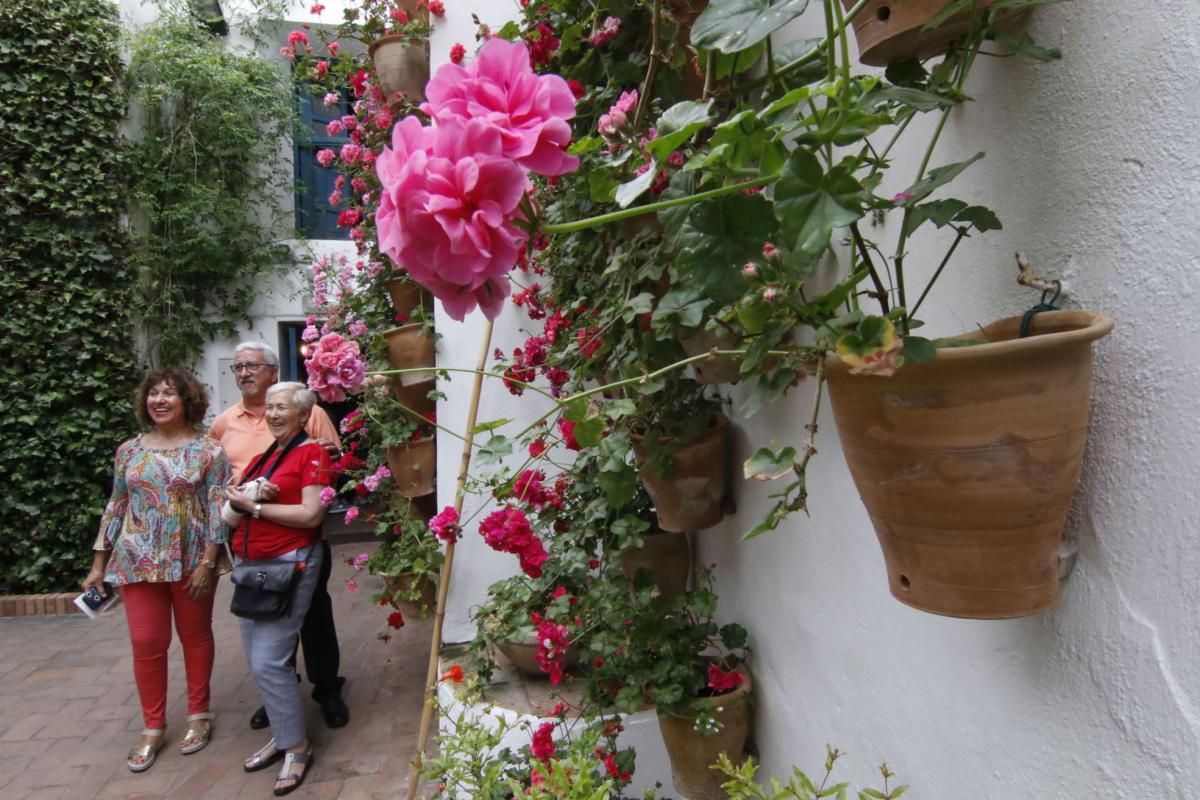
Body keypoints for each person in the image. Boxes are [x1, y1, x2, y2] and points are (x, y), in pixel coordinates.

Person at [82, 368, 230, 773]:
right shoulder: (129, 450)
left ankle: (199, 713)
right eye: (153, 394)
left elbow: (219, 510)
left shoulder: (209, 450)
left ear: (187, 401)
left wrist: (208, 562)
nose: (159, 400)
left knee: (195, 635)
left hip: (191, 557)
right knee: (147, 642)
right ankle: (153, 725)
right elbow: (116, 505)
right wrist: (99, 564)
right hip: (136, 557)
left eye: (169, 394)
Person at [210, 341, 350, 729]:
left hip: (302, 540)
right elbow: (219, 479)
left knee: (314, 617)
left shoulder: (312, 411)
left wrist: (321, 461)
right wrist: (244, 495)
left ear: (273, 371)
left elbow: (334, 468)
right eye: (237, 367)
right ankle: (279, 692)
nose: (243, 373)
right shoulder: (224, 422)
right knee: (265, 616)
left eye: (252, 366)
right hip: (254, 540)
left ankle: (327, 690)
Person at [225, 382, 330, 795]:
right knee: (259, 659)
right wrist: (245, 499)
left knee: (269, 659)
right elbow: (230, 516)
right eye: (269, 407)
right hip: (252, 568)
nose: (271, 413)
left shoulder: (312, 452)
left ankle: (298, 748)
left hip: (288, 565)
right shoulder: (262, 458)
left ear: (303, 415)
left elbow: (310, 514)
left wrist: (254, 505)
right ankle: (284, 736)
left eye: (281, 407)